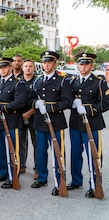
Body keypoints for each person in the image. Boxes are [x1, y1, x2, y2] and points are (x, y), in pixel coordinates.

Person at [30, 51, 73, 196]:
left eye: (49, 62)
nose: (46, 65)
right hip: (39, 122)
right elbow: (30, 98)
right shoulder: (37, 80)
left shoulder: (62, 80)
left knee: (58, 154)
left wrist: (48, 107)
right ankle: (42, 178)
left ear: (54, 64)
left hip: (56, 122)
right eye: (44, 62)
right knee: (40, 152)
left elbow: (67, 101)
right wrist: (35, 103)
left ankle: (59, 181)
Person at [68, 52, 109, 198]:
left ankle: (95, 184)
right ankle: (76, 180)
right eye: (81, 64)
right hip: (75, 123)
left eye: (86, 64)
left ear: (91, 65)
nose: (83, 66)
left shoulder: (99, 82)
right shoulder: (73, 81)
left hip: (92, 123)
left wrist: (88, 109)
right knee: (75, 153)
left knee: (94, 154)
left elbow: (105, 103)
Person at [0, 58, 28, 188]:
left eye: (5, 67)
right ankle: (3, 172)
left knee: (12, 150)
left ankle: (13, 176)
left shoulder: (18, 84)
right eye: (0, 68)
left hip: (12, 122)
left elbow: (21, 102)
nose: (2, 70)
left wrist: (3, 107)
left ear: (10, 67)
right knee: (0, 150)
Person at [20, 59, 38, 180]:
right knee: (21, 142)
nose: (28, 68)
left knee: (36, 143)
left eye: (30, 66)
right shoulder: (17, 82)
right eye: (26, 66)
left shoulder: (38, 81)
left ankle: (37, 169)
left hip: (34, 115)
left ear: (34, 68)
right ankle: (21, 164)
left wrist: (30, 112)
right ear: (22, 68)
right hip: (20, 116)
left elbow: (41, 100)